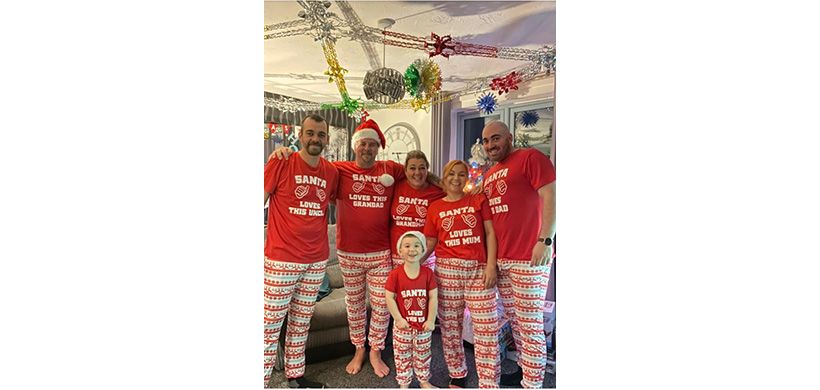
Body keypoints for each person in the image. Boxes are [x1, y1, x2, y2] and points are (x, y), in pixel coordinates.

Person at [269, 118, 405, 378]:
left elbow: (416, 173)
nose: (367, 148)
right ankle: (359, 349)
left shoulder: (391, 169)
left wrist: (449, 186)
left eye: (372, 144)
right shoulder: (338, 170)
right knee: (354, 304)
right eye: (363, 143)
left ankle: (375, 350)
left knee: (382, 304)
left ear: (379, 147)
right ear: (356, 146)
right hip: (348, 253)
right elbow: (311, 173)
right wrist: (282, 152)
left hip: (380, 254)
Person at [263, 114, 339, 388]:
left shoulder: (330, 172)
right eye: (310, 133)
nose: (315, 139)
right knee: (268, 325)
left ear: (327, 139)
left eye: (320, 134)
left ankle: (295, 375)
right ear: (300, 134)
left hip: (316, 260)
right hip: (281, 259)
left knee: (300, 322)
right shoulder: (281, 162)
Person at [481, 120, 556, 388]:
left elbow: (552, 196)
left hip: (529, 257)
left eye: (496, 138)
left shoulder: (530, 158)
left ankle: (532, 384)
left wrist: (546, 240)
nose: (491, 145)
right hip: (503, 261)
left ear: (509, 137)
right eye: (486, 141)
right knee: (515, 321)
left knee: (530, 325)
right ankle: (526, 370)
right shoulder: (490, 175)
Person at [423, 160, 500, 389]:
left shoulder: (478, 200)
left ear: (467, 178)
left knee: (487, 328)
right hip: (447, 271)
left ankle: (489, 381)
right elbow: (431, 242)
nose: (456, 178)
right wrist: (415, 261)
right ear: (444, 178)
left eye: (461, 174)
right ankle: (457, 373)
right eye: (451, 174)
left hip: (478, 270)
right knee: (450, 327)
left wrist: (491, 265)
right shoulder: (435, 207)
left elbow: (490, 233)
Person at [384, 231, 439, 389]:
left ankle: (423, 381)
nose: (412, 249)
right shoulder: (395, 275)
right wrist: (398, 319)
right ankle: (404, 383)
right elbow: (389, 298)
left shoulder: (428, 274)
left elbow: (433, 297)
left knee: (423, 355)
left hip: (423, 327)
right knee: (402, 356)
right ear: (400, 251)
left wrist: (430, 319)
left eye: (416, 246)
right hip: (403, 327)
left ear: (423, 250)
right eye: (407, 246)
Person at [389, 150, 445, 269]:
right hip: (397, 255)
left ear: (427, 170)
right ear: (405, 171)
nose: (417, 172)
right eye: (412, 168)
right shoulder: (396, 186)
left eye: (422, 168)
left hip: (424, 257)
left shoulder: (438, 192)